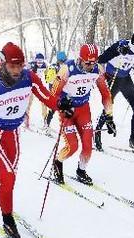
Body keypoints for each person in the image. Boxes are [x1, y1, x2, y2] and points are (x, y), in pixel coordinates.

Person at [0, 42, 62, 238]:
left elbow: (46, 97)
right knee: (9, 177)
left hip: (12, 134)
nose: (17, 70)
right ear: (3, 64)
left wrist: (62, 104)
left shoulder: (29, 77)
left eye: (20, 65)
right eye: (12, 66)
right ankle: (7, 220)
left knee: (6, 174)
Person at [50, 44, 114, 185]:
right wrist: (61, 103)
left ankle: (81, 170)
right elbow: (53, 93)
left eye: (94, 62)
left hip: (84, 110)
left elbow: (105, 94)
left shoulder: (97, 70)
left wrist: (109, 116)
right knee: (72, 146)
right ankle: (57, 162)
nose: (91, 66)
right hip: (68, 111)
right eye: (88, 63)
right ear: (80, 59)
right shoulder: (67, 69)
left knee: (87, 145)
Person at [94, 31, 134, 153]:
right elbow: (101, 59)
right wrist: (118, 51)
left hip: (125, 78)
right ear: (133, 44)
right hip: (112, 77)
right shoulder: (121, 45)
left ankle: (133, 139)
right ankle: (97, 133)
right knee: (108, 107)